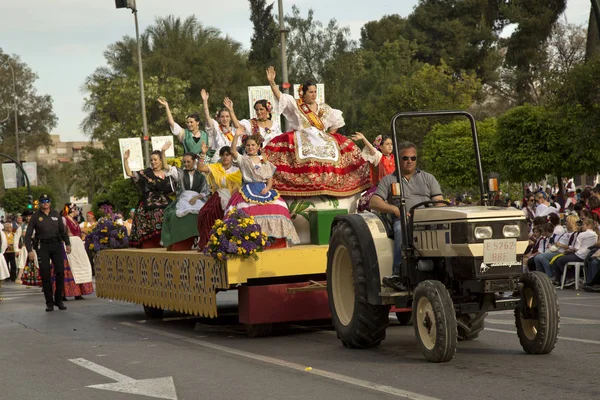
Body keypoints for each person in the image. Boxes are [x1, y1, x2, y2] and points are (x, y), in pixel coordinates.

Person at [263, 66, 370, 196]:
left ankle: (334, 184)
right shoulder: (296, 105)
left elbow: (336, 122)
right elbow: (280, 96)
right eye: (310, 92)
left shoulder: (323, 107)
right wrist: (272, 82)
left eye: (315, 92)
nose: (314, 95)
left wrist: (330, 136)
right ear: (303, 93)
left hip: (322, 137)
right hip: (302, 136)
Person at [369, 141, 444, 291]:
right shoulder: (389, 180)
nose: (409, 161)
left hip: (426, 219)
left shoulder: (428, 178)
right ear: (398, 160)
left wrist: (438, 214)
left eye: (413, 158)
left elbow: (439, 202)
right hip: (403, 219)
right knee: (400, 229)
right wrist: (395, 209)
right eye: (405, 158)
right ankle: (399, 273)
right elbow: (374, 202)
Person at [226, 127, 300, 245]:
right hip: (248, 189)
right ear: (245, 147)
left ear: (258, 147)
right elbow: (233, 151)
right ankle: (247, 241)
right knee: (244, 211)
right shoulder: (243, 160)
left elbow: (270, 180)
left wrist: (267, 188)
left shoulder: (265, 161)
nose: (250, 147)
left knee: (279, 206)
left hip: (264, 189)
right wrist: (236, 136)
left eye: (253, 145)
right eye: (248, 145)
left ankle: (276, 240)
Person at [24, 194, 71, 312]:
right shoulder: (35, 217)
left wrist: (68, 243)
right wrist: (30, 250)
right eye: (43, 201)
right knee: (45, 274)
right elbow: (28, 234)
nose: (45, 203)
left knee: (60, 272)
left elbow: (63, 231)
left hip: (56, 245)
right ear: (40, 203)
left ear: (50, 202)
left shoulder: (56, 214)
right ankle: (49, 302)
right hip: (42, 246)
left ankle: (59, 299)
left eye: (47, 201)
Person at [125, 142, 176, 248]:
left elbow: (173, 190)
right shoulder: (146, 173)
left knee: (174, 213)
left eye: (155, 160)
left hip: (165, 200)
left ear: (161, 161)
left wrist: (163, 152)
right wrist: (125, 160)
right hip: (148, 201)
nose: (153, 162)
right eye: (151, 160)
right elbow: (130, 174)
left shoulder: (168, 174)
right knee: (156, 212)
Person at [196, 144, 243, 250]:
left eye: (228, 154)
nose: (225, 157)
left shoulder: (238, 170)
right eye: (223, 155)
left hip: (233, 198)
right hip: (218, 196)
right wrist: (203, 154)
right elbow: (200, 168)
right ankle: (209, 242)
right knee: (205, 213)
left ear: (232, 157)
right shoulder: (216, 168)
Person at [161, 151, 210, 248]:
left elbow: (206, 191)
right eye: (184, 162)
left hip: (198, 199)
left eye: (188, 162)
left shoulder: (201, 175)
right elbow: (166, 166)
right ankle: (181, 240)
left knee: (204, 212)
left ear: (194, 162)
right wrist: (163, 152)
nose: (186, 164)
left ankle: (200, 239)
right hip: (183, 198)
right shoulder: (180, 173)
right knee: (176, 214)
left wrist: (197, 197)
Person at [57, 204, 94, 300]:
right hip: (69, 244)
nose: (78, 211)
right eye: (76, 209)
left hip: (78, 245)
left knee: (80, 266)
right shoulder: (64, 219)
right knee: (69, 268)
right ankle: (64, 293)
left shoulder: (75, 221)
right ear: (72, 210)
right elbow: (62, 232)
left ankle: (78, 292)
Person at [353, 133, 396, 212]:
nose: (390, 146)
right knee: (365, 201)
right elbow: (372, 149)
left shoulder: (396, 158)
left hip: (396, 187)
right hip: (382, 188)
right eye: (387, 144)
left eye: (391, 144)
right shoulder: (379, 157)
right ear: (380, 147)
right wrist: (363, 138)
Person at [553, 218, 598, 287]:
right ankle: (563, 280)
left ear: (588, 226)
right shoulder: (595, 234)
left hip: (580, 255)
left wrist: (569, 250)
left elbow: (576, 248)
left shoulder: (582, 234)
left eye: (583, 224)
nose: (581, 226)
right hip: (587, 255)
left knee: (559, 261)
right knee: (561, 259)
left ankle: (571, 277)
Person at [202, 89, 235, 159]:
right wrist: (205, 101)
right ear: (219, 118)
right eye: (222, 117)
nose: (225, 119)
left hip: (233, 160)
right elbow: (207, 117)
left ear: (230, 118)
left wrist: (231, 109)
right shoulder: (216, 128)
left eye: (227, 116)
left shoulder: (235, 130)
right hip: (218, 160)